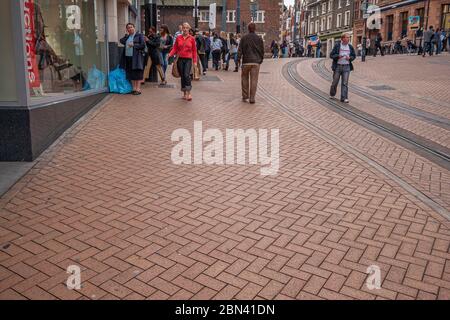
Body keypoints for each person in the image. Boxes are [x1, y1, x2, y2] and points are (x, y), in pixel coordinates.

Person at [169, 22, 197, 101]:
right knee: (182, 76)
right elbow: (175, 48)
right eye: (184, 28)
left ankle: (189, 93)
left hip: (188, 59)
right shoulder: (178, 38)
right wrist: (170, 54)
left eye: (186, 28)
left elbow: (194, 51)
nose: (185, 29)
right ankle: (184, 93)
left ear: (189, 29)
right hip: (180, 59)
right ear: (182, 29)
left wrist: (195, 61)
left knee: (186, 75)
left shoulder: (192, 38)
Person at [237, 23, 264, 104]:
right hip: (256, 62)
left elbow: (240, 50)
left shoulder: (244, 38)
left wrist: (238, 59)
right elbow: (262, 50)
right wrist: (261, 59)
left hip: (246, 61)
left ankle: (245, 96)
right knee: (254, 80)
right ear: (255, 29)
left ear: (248, 29)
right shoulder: (259, 38)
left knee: (244, 78)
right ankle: (252, 98)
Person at [120, 23, 146, 95]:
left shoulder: (139, 35)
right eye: (128, 28)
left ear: (134, 28)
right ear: (127, 29)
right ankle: (133, 88)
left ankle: (138, 89)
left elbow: (143, 45)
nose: (130, 29)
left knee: (137, 72)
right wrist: (126, 35)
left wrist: (134, 45)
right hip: (128, 57)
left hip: (136, 57)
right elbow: (121, 41)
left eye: (131, 27)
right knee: (131, 73)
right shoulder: (127, 37)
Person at [329, 33, 356, 103]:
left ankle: (344, 98)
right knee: (335, 82)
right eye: (347, 37)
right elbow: (331, 55)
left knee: (345, 83)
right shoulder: (337, 46)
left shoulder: (350, 47)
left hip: (346, 67)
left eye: (349, 37)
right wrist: (338, 56)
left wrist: (350, 58)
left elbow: (354, 55)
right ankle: (332, 94)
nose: (348, 39)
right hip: (338, 66)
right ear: (343, 38)